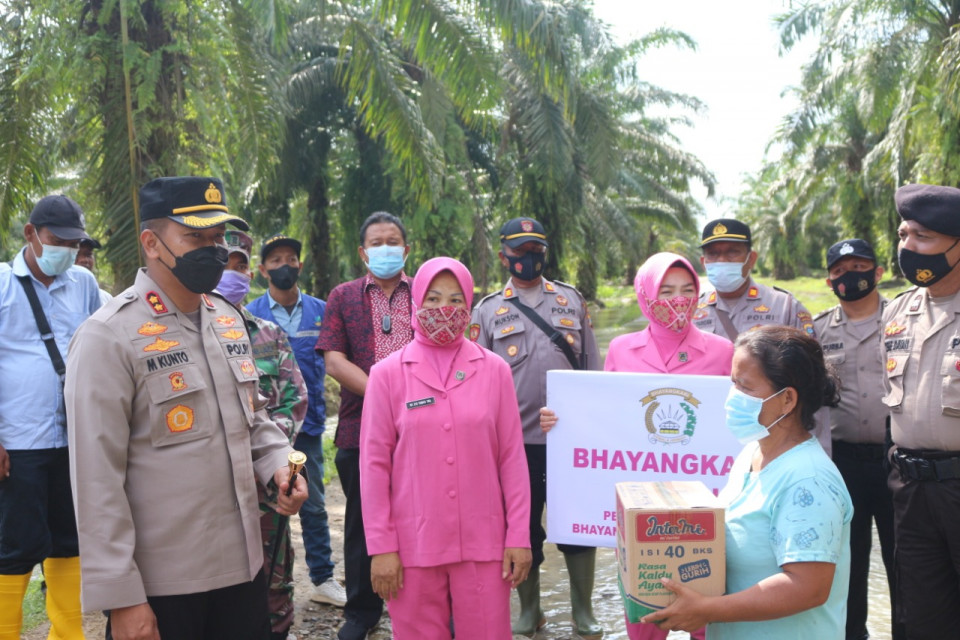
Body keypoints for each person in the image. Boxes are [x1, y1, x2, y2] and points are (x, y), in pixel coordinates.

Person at [64, 176, 307, 640]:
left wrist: (278, 464)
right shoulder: (108, 337)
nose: (213, 250)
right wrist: (123, 598)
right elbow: (97, 481)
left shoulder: (227, 320)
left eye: (218, 238)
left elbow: (251, 418)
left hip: (245, 570)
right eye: (196, 237)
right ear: (152, 243)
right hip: (165, 586)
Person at [541, 251, 733, 640]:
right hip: (640, 513)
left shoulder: (723, 351)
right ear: (645, 294)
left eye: (686, 290)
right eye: (666, 291)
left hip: (702, 511)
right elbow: (606, 420)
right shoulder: (622, 349)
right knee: (643, 623)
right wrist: (563, 421)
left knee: (708, 623)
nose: (678, 300)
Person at [641, 325, 853, 639]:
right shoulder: (752, 453)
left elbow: (807, 587)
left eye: (745, 386)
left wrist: (706, 609)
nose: (733, 397)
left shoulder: (807, 480)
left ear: (787, 400)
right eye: (732, 383)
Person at [360, 256, 532, 639]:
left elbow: (512, 461)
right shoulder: (387, 375)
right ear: (416, 302)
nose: (444, 309)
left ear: (469, 304)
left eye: (456, 300)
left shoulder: (494, 370)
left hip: (484, 544)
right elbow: (373, 467)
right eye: (434, 298)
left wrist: (518, 537)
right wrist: (381, 547)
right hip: (412, 545)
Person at [470, 217, 602, 638]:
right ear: (503, 254)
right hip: (513, 444)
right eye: (520, 251)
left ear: (545, 251)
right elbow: (476, 381)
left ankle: (583, 609)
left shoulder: (570, 300)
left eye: (535, 250)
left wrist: (592, 423)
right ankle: (531, 609)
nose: (528, 258)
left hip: (568, 440)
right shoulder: (487, 310)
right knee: (522, 527)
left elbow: (592, 368)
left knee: (576, 523)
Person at [0, 195, 100, 640]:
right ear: (31, 234)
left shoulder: (83, 283)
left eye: (74, 243)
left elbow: (103, 349)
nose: (68, 250)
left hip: (73, 440)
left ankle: (67, 634)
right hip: (17, 443)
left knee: (68, 541)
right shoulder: (2, 284)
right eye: (57, 240)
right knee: (14, 546)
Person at [315, 211, 414, 640]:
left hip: (423, 428)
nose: (385, 248)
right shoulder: (343, 296)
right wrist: (385, 392)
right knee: (361, 520)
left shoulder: (425, 292)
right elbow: (334, 359)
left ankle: (422, 600)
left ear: (406, 250)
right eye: (377, 242)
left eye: (393, 241)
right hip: (361, 428)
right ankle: (362, 610)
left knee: (422, 514)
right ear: (363, 251)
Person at [218, 229, 309, 640]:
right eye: (225, 264)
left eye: (240, 265)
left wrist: (265, 456)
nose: (232, 274)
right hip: (211, 490)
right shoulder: (185, 332)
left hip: (266, 489)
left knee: (272, 583)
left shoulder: (269, 335)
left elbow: (294, 400)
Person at [247, 233, 347, 608]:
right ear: (262, 270)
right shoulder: (250, 314)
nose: (283, 266)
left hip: (307, 428)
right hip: (262, 434)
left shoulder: (322, 311)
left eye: (290, 258)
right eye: (275, 261)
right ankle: (267, 588)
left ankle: (322, 578)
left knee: (314, 504)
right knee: (267, 510)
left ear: (300, 265)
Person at [813, 238, 903, 640]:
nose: (850, 276)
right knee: (846, 562)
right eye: (840, 270)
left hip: (898, 460)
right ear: (830, 279)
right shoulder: (817, 330)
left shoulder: (904, 318)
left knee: (907, 561)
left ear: (878, 272)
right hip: (840, 463)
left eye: (859, 266)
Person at [881, 183, 960, 637]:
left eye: (922, 237)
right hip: (911, 493)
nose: (907, 248)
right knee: (922, 619)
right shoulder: (899, 313)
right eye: (903, 234)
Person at [694, 218, 816, 341]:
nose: (722, 260)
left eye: (732, 252)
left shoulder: (784, 306)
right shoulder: (692, 310)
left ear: (751, 259)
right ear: (703, 263)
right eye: (713, 253)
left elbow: (811, 357)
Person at [75, 237, 113, 305]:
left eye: (88, 255)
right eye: (76, 255)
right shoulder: (57, 296)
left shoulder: (106, 298)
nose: (84, 260)